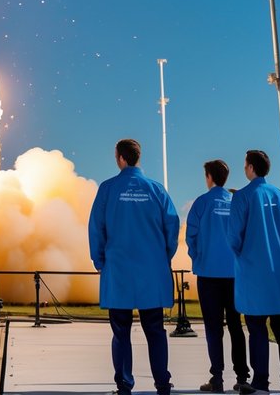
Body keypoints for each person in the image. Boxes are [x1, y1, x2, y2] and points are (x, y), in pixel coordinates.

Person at [88, 138, 180, 395]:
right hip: (152, 274)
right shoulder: (156, 189)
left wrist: (99, 261)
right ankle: (162, 384)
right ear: (138, 157)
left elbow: (96, 228)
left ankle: (125, 385)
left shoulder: (108, 189)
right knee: (155, 331)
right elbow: (172, 227)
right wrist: (163, 257)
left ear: (120, 158)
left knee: (121, 332)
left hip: (119, 273)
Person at [227, 149, 280, 395]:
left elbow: (234, 237)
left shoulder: (242, 197)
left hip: (253, 273)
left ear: (250, 167)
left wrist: (243, 257)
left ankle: (260, 383)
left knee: (256, 328)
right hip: (279, 273)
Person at [186, 159, 248, 393]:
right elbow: (243, 234)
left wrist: (198, 258)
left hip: (209, 274)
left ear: (209, 177)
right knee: (236, 326)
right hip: (234, 274)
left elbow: (191, 236)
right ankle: (242, 377)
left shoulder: (202, 202)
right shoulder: (236, 202)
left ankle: (217, 378)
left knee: (213, 328)